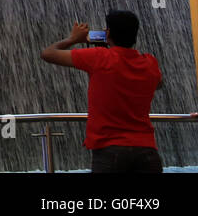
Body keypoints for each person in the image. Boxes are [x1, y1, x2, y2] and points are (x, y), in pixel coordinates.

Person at [39, 12, 163, 173]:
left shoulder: (99, 57)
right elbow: (158, 84)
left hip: (110, 151)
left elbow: (47, 54)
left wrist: (73, 39)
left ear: (108, 33)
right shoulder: (149, 62)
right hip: (147, 151)